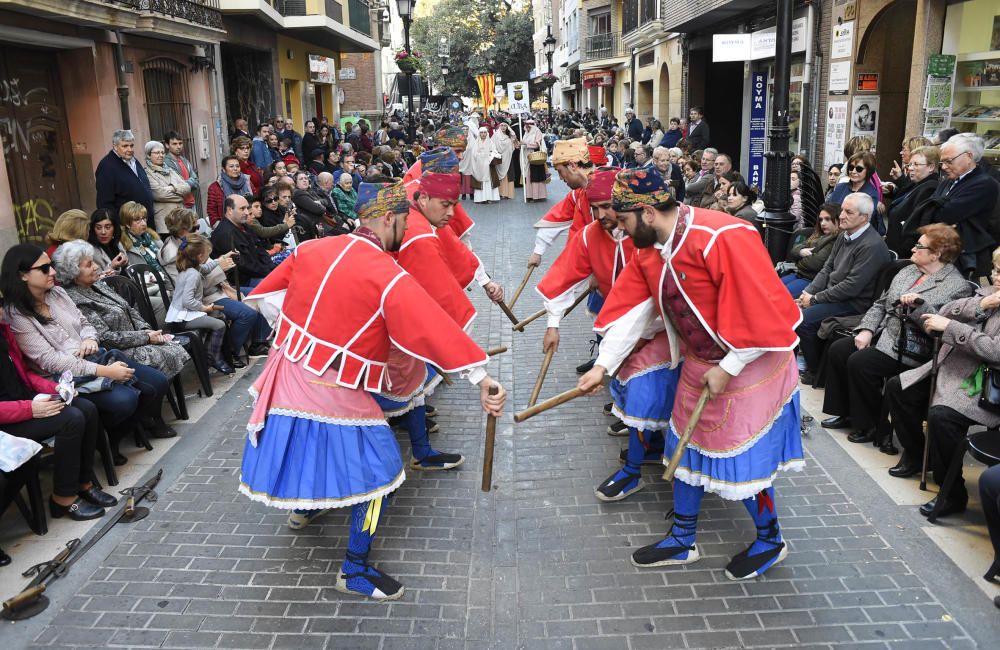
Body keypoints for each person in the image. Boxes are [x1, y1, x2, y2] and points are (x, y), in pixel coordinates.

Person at [237, 181, 507, 601]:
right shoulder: (387, 273)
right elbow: (431, 328)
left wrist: (304, 336)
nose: (404, 228)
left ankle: (306, 510)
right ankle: (354, 569)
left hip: (287, 371)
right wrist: (482, 377)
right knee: (381, 472)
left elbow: (267, 296)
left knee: (315, 445)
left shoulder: (311, 249)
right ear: (387, 218)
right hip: (330, 385)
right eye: (402, 220)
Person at [578, 168, 803, 580]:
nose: (622, 231)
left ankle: (771, 540)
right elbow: (635, 312)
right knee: (683, 452)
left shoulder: (724, 236)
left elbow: (764, 314)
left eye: (625, 221)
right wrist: (602, 366)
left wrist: (729, 366)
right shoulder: (652, 248)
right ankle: (683, 541)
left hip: (753, 362)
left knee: (746, 464)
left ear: (646, 212)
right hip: (703, 364)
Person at [2, 244, 169, 464]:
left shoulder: (58, 293)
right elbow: (51, 362)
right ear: (23, 275)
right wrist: (105, 371)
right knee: (126, 400)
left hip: (96, 357)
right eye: (44, 269)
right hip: (65, 376)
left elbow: (85, 323)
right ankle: (108, 441)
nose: (52, 272)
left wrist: (90, 339)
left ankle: (112, 435)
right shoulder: (17, 315)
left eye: (51, 266)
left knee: (157, 383)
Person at [820, 225, 972, 454]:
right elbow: (881, 303)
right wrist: (867, 330)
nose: (912, 248)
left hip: (914, 345)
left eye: (919, 246)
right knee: (839, 349)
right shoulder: (909, 270)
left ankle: (871, 426)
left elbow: (939, 328)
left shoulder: (956, 287)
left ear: (937, 253)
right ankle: (847, 413)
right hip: (885, 332)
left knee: (861, 363)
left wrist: (920, 305)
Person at [885, 246, 1000, 516]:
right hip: (949, 367)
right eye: (995, 271)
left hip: (980, 382)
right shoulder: (985, 295)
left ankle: (951, 493)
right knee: (898, 387)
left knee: (941, 417)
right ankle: (917, 454)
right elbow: (945, 311)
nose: (996, 279)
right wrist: (981, 306)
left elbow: (995, 351)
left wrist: (953, 329)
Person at [0, 319, 114, 521]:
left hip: (24, 402)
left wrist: (55, 388)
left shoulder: (3, 330)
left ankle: (83, 484)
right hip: (7, 420)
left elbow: (23, 374)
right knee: (71, 419)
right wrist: (29, 409)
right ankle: (63, 498)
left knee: (86, 408)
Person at [55, 239, 190, 407]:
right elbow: (104, 337)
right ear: (73, 272)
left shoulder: (96, 285)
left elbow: (128, 308)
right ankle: (150, 412)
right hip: (118, 351)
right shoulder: (75, 298)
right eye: (89, 265)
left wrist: (146, 330)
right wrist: (145, 337)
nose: (96, 267)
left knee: (173, 348)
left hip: (136, 340)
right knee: (165, 359)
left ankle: (154, 406)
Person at [796, 193, 892, 382]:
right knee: (793, 309)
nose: (841, 216)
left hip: (854, 303)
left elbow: (851, 287)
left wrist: (815, 299)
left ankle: (815, 371)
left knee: (803, 320)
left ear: (864, 217)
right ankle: (799, 363)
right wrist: (808, 293)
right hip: (835, 294)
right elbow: (827, 268)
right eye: (842, 210)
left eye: (848, 212)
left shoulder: (872, 245)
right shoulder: (844, 234)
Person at [918, 133, 999, 279]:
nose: (944, 167)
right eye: (942, 162)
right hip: (938, 251)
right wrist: (937, 206)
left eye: (949, 161)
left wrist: (938, 205)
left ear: (968, 156)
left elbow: (945, 215)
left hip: (961, 256)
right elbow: (927, 207)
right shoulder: (948, 180)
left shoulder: (984, 183)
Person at [167, 234, 233, 375]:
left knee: (219, 316)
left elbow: (207, 268)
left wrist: (221, 259)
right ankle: (212, 355)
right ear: (200, 256)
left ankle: (209, 352)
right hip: (183, 317)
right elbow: (187, 300)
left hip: (186, 313)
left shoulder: (193, 268)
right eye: (207, 254)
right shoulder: (193, 274)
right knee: (219, 324)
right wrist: (204, 308)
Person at [527, 139, 597, 269]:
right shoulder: (577, 195)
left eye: (559, 171)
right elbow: (555, 219)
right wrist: (538, 252)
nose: (560, 178)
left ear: (572, 166)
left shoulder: (607, 188)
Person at [210, 195, 276, 293]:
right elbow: (245, 265)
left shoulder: (244, 226)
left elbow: (260, 250)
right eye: (242, 209)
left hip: (257, 272)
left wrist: (272, 268)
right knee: (276, 286)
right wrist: (269, 272)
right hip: (242, 281)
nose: (246, 212)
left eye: (247, 208)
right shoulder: (225, 234)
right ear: (230, 210)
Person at [886, 145, 941, 256]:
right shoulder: (917, 184)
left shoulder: (929, 188)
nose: (910, 168)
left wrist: (907, 253)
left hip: (906, 253)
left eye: (916, 164)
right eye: (910, 164)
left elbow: (919, 226)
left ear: (931, 167)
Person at [780, 203, 842, 298]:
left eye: (827, 219)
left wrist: (798, 260)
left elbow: (816, 264)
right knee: (770, 288)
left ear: (838, 219)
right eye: (821, 219)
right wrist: (801, 252)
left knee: (779, 296)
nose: (823, 223)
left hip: (811, 280)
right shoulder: (818, 234)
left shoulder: (836, 239)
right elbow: (793, 250)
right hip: (799, 274)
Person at [95, 129, 154, 221]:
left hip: (145, 219)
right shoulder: (106, 166)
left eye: (131, 145)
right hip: (128, 223)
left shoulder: (133, 160)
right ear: (115, 146)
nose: (129, 149)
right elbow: (105, 203)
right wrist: (118, 225)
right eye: (125, 146)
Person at [144, 140, 190, 238]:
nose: (160, 155)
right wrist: (180, 196)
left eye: (162, 152)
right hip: (164, 223)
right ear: (148, 155)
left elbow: (187, 187)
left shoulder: (170, 170)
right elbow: (159, 194)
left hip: (181, 219)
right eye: (157, 153)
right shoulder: (147, 173)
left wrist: (173, 188)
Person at [828, 152, 881, 233]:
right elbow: (827, 209)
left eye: (859, 169)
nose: (853, 171)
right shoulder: (840, 187)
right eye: (851, 167)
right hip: (831, 231)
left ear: (868, 171)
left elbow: (862, 222)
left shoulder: (871, 194)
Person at [163, 131, 199, 214]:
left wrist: (185, 184)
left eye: (180, 143)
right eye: (174, 144)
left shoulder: (184, 160)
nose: (178, 146)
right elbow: (175, 185)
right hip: (179, 206)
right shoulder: (166, 162)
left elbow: (196, 181)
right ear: (167, 145)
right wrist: (189, 182)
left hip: (191, 203)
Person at [87, 208, 129, 274]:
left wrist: (126, 263)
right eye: (98, 228)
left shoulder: (117, 243)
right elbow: (97, 281)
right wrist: (112, 267)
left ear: (114, 228)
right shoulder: (90, 251)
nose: (103, 232)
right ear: (93, 229)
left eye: (108, 227)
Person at [466, 126, 501, 204]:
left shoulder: (490, 142)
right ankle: (480, 198)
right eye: (481, 132)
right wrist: (482, 155)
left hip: (489, 167)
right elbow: (474, 154)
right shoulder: (476, 143)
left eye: (485, 132)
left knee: (489, 181)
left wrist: (490, 154)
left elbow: (494, 151)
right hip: (479, 167)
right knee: (480, 182)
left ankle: (490, 198)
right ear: (479, 134)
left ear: (487, 133)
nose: (483, 134)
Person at [520, 118, 548, 202]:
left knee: (535, 176)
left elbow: (537, 144)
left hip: (535, 158)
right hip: (526, 158)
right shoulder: (525, 133)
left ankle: (537, 196)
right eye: (526, 125)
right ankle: (529, 195)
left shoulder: (537, 132)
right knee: (528, 177)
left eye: (530, 125)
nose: (528, 127)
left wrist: (526, 143)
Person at [492, 123, 516, 200]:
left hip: (508, 158)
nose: (503, 127)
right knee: (499, 175)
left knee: (508, 175)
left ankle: (508, 193)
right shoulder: (495, 136)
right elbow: (492, 145)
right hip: (499, 159)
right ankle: (500, 193)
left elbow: (514, 140)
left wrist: (511, 132)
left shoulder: (509, 136)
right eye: (501, 125)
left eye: (505, 125)